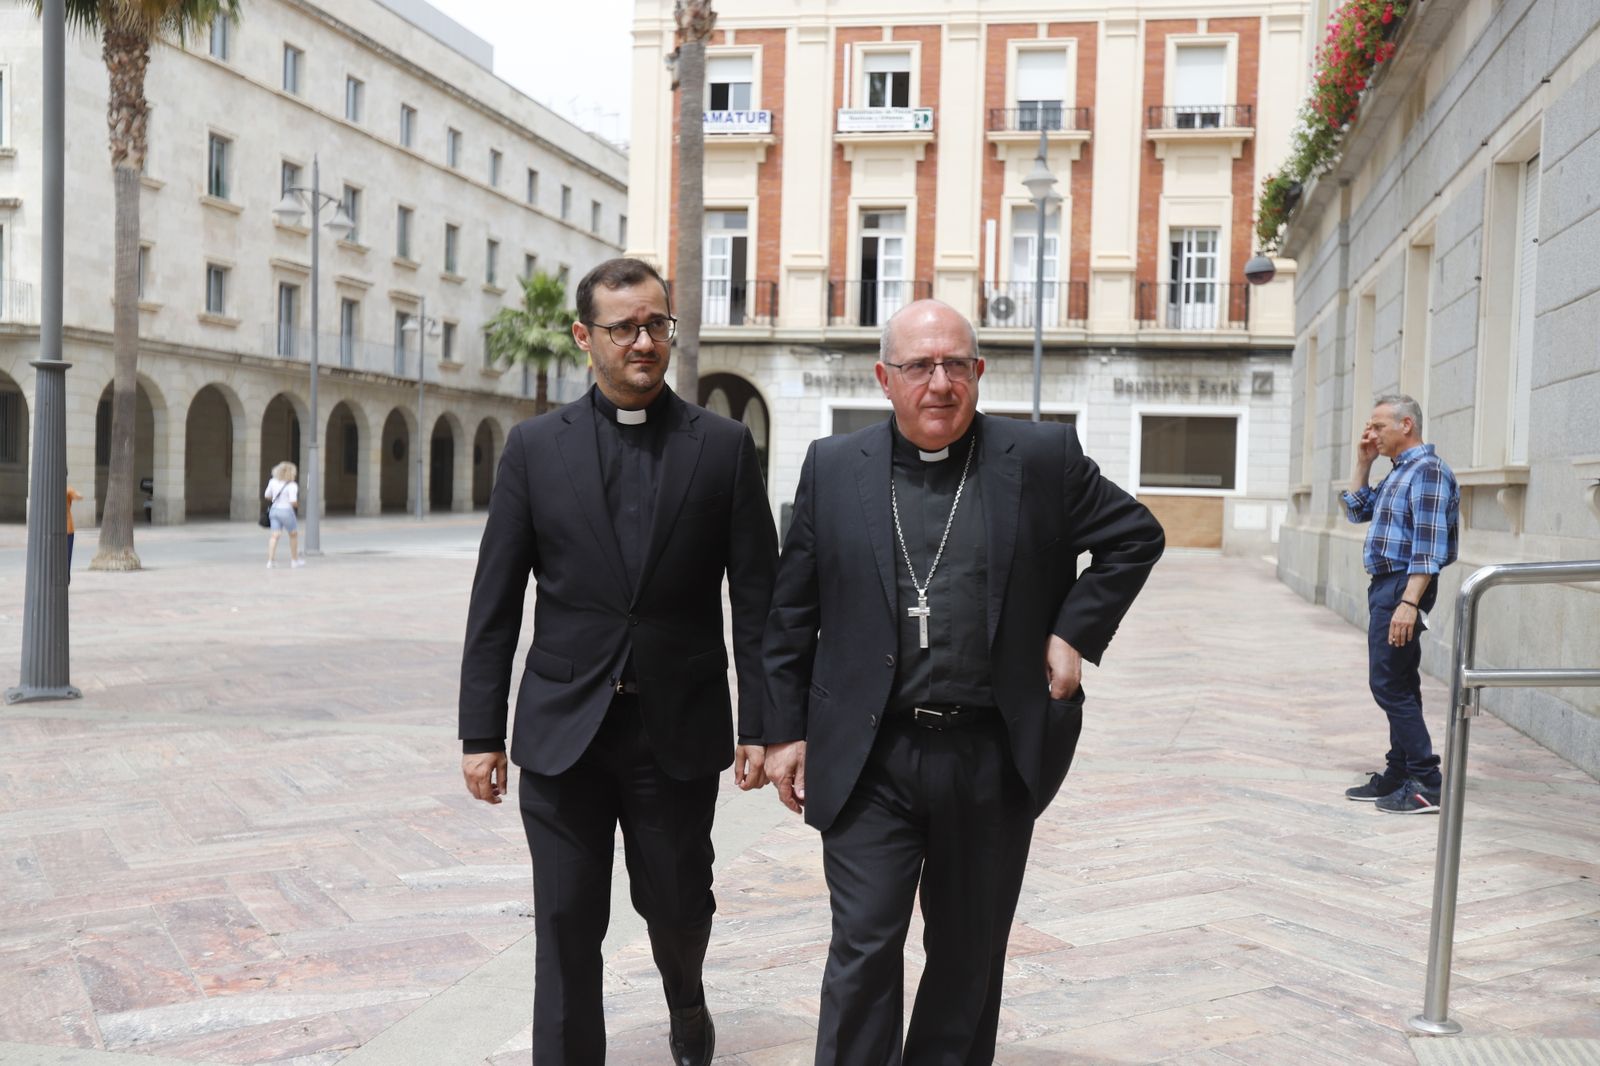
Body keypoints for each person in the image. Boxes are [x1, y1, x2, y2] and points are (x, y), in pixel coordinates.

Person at [761, 299, 1164, 1065]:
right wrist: (783, 730)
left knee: (967, 959)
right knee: (864, 947)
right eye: (919, 366)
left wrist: (1074, 630)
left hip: (989, 755)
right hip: (869, 757)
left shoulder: (1039, 458)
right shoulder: (832, 467)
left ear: (979, 372)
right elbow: (791, 610)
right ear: (885, 378)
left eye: (955, 364)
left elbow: (1135, 536)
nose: (938, 383)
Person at [458, 257, 778, 1066]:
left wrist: (767, 722)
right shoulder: (533, 450)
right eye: (625, 327)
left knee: (676, 907)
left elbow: (760, 602)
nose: (644, 340)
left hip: (675, 730)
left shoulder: (724, 448)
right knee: (566, 923)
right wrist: (479, 732)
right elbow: (495, 601)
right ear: (583, 337)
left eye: (657, 325)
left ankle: (686, 996)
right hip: (564, 731)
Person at [1339, 394, 1459, 814]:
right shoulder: (1400, 472)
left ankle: (1427, 780)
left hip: (1404, 586)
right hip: (1389, 586)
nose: (1370, 433)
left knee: (1387, 683)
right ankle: (1400, 771)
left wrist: (1409, 602)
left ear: (1406, 424)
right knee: (1401, 681)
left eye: (1378, 426)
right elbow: (1356, 511)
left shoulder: (1427, 472)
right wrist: (1363, 462)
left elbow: (1428, 547)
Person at [264, 461, 304, 569]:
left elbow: (267, 495)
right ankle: (294, 560)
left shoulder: (272, 481)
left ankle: (270, 561)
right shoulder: (292, 485)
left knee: (274, 535)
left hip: (274, 510)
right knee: (293, 534)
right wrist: (298, 505)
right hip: (286, 511)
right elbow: (293, 501)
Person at [65, 484, 82, 582]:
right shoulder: (68, 489)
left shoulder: (68, 490)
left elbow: (79, 496)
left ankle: (66, 578)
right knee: (67, 556)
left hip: (68, 529)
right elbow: (79, 496)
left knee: (67, 556)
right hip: (67, 529)